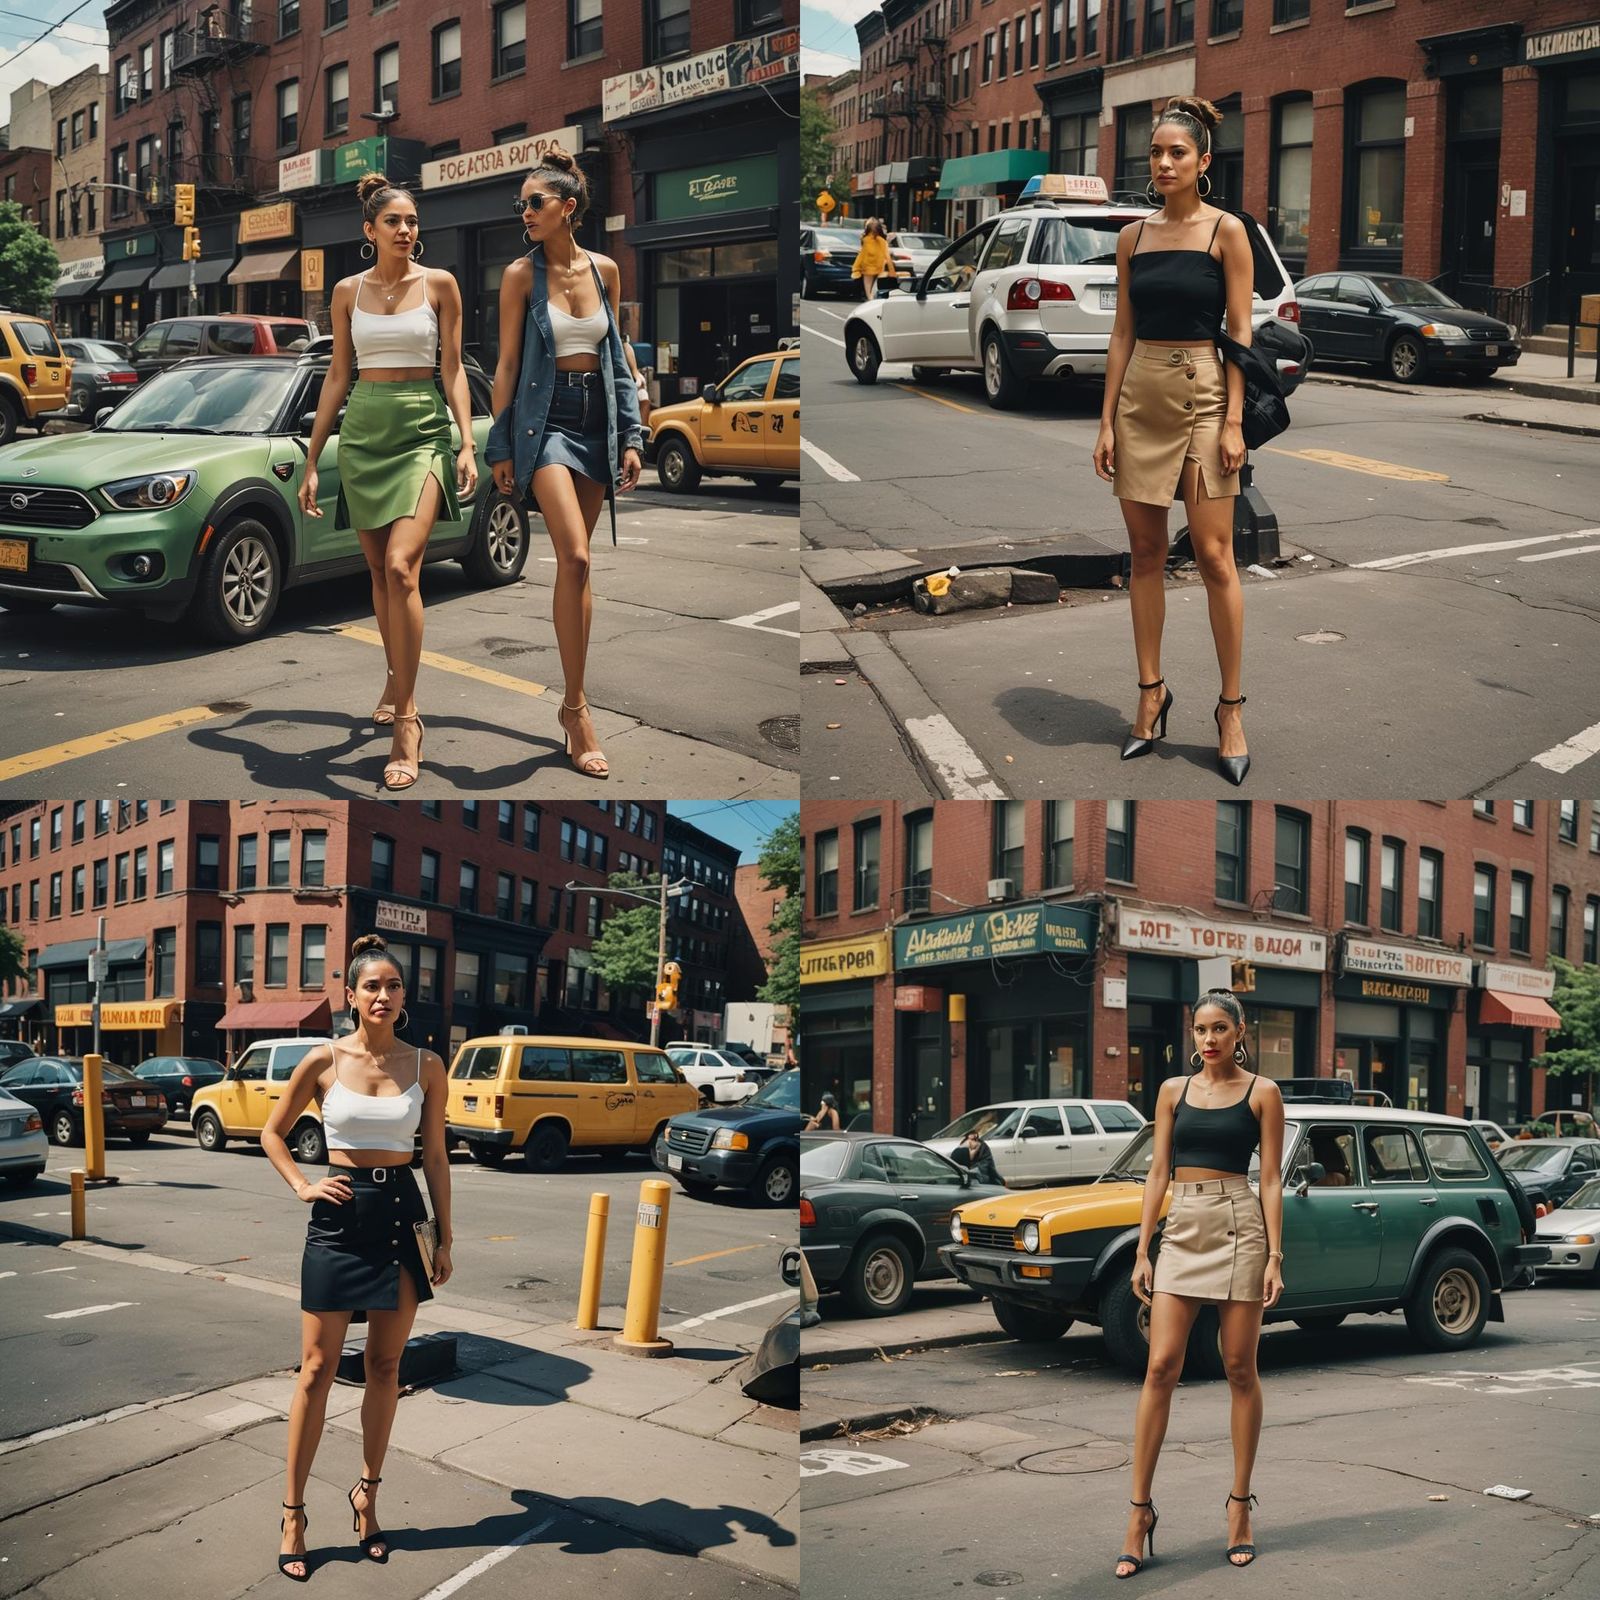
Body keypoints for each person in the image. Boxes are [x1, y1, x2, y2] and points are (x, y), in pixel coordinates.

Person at [263, 935, 453, 1582]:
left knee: (385, 1365)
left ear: (404, 997)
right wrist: (303, 1186)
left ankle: (367, 1497)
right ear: (350, 995)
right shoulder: (322, 1059)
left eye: (393, 986)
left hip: (402, 1217)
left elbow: (434, 1159)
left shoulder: (426, 1065)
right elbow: (272, 1131)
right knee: (316, 1370)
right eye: (371, 985)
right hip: (336, 1219)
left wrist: (445, 1237)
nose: (382, 995)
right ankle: (293, 1513)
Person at [1092, 97, 1257, 787]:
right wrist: (1105, 420)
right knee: (1145, 552)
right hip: (1140, 397)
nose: (1162, 163)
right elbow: (1122, 334)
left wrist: (1236, 420)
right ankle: (1151, 694)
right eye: (1155, 153)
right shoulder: (1132, 237)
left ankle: (1229, 710)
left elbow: (1242, 331)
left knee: (1216, 556)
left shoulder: (1227, 232)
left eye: (1176, 153)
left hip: (1206, 392)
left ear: (1203, 161)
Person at [299, 173, 476, 792]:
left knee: (403, 567)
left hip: (423, 431)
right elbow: (336, 376)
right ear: (369, 231)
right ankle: (396, 675)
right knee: (378, 575)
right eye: (395, 222)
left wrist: (466, 441)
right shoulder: (347, 292)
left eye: (413, 222)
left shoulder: (441, 285)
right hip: (365, 434)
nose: (407, 231)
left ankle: (407, 720)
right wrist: (314, 459)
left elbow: (452, 368)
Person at [487, 148, 644, 781]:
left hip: (597, 422)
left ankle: (572, 700)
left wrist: (632, 433)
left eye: (534, 203)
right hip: (544, 422)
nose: (524, 212)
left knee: (582, 572)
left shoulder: (606, 270)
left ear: (568, 208)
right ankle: (579, 715)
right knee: (574, 556)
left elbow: (619, 355)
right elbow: (505, 364)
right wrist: (500, 445)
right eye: (521, 204)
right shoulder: (520, 277)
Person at [1116, 989, 1285, 1579]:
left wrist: (1274, 1256)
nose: (1209, 1039)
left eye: (1219, 1028)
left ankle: (1240, 1507)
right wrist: (1142, 1247)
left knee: (1239, 1367)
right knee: (1161, 1365)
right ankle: (1139, 1512)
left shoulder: (1264, 1093)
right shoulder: (1170, 1092)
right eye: (1199, 1030)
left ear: (1241, 1031)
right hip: (1182, 1227)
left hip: (1240, 1225)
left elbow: (1268, 1180)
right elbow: (1158, 1170)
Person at [851, 219, 896, 302]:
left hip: (870, 268)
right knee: (873, 288)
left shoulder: (867, 240)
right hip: (874, 268)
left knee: (870, 289)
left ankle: (871, 299)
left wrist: (856, 268)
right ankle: (871, 299)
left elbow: (862, 255)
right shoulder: (880, 241)